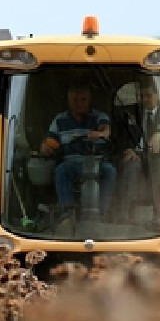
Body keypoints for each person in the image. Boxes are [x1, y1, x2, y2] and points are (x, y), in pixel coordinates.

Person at [39, 83, 117, 219]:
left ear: (89, 100)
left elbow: (106, 130)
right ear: (68, 101)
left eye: (83, 100)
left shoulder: (99, 116)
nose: (79, 104)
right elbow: (48, 141)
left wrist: (99, 134)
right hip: (72, 163)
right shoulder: (59, 120)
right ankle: (67, 215)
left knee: (110, 171)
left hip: (97, 162)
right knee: (60, 171)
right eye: (75, 100)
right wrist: (45, 147)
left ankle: (102, 215)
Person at [112, 81, 160, 218]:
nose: (145, 99)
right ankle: (124, 212)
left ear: (158, 96)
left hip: (158, 157)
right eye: (142, 96)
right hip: (138, 156)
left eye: (148, 96)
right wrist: (132, 150)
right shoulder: (134, 113)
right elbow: (126, 137)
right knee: (130, 167)